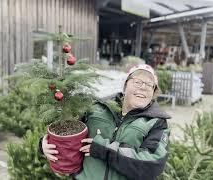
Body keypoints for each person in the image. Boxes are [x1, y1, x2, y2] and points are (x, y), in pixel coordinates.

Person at [40, 64, 171, 180]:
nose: (143, 88)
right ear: (125, 85)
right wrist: (45, 145)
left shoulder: (156, 123)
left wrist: (103, 149)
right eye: (137, 82)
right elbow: (67, 133)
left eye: (150, 85)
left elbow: (152, 164)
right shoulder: (96, 108)